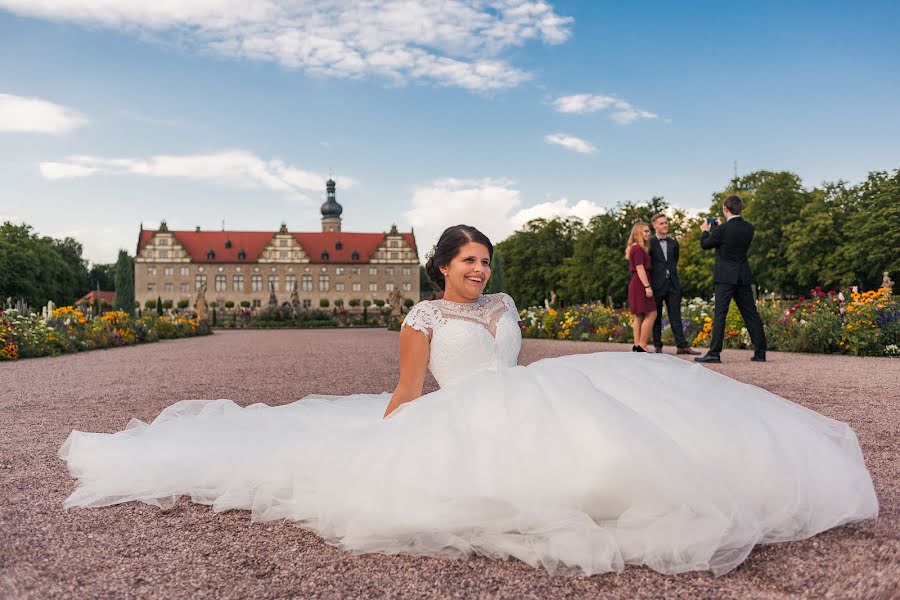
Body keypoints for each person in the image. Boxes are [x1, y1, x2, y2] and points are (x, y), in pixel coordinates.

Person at [59, 225, 877, 577]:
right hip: (462, 412)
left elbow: (510, 356)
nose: (481, 271)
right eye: (469, 261)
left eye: (487, 261)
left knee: (645, 432)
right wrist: (383, 443)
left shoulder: (506, 307)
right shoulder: (419, 315)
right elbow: (410, 391)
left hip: (537, 397)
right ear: (441, 266)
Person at [695, 195, 768, 364]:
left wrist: (705, 230)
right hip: (742, 275)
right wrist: (721, 228)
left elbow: (705, 244)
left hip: (725, 277)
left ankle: (714, 353)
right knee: (751, 313)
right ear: (740, 208)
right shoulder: (749, 228)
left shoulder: (721, 231)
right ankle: (760, 352)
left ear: (725, 209)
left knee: (720, 314)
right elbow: (732, 237)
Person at [648, 214, 699, 355]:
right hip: (657, 285)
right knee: (656, 316)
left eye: (666, 223)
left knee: (676, 315)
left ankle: (682, 346)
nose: (665, 225)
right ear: (655, 225)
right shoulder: (649, 243)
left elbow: (674, 261)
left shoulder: (674, 243)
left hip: (673, 284)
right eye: (661, 223)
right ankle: (658, 346)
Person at [625, 222, 657, 352]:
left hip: (637, 282)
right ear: (638, 233)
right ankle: (642, 344)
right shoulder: (637, 248)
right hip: (640, 283)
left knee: (639, 315)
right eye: (645, 231)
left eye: (649, 231)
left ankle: (637, 344)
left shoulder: (635, 248)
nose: (648, 233)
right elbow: (639, 267)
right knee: (652, 312)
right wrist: (647, 286)